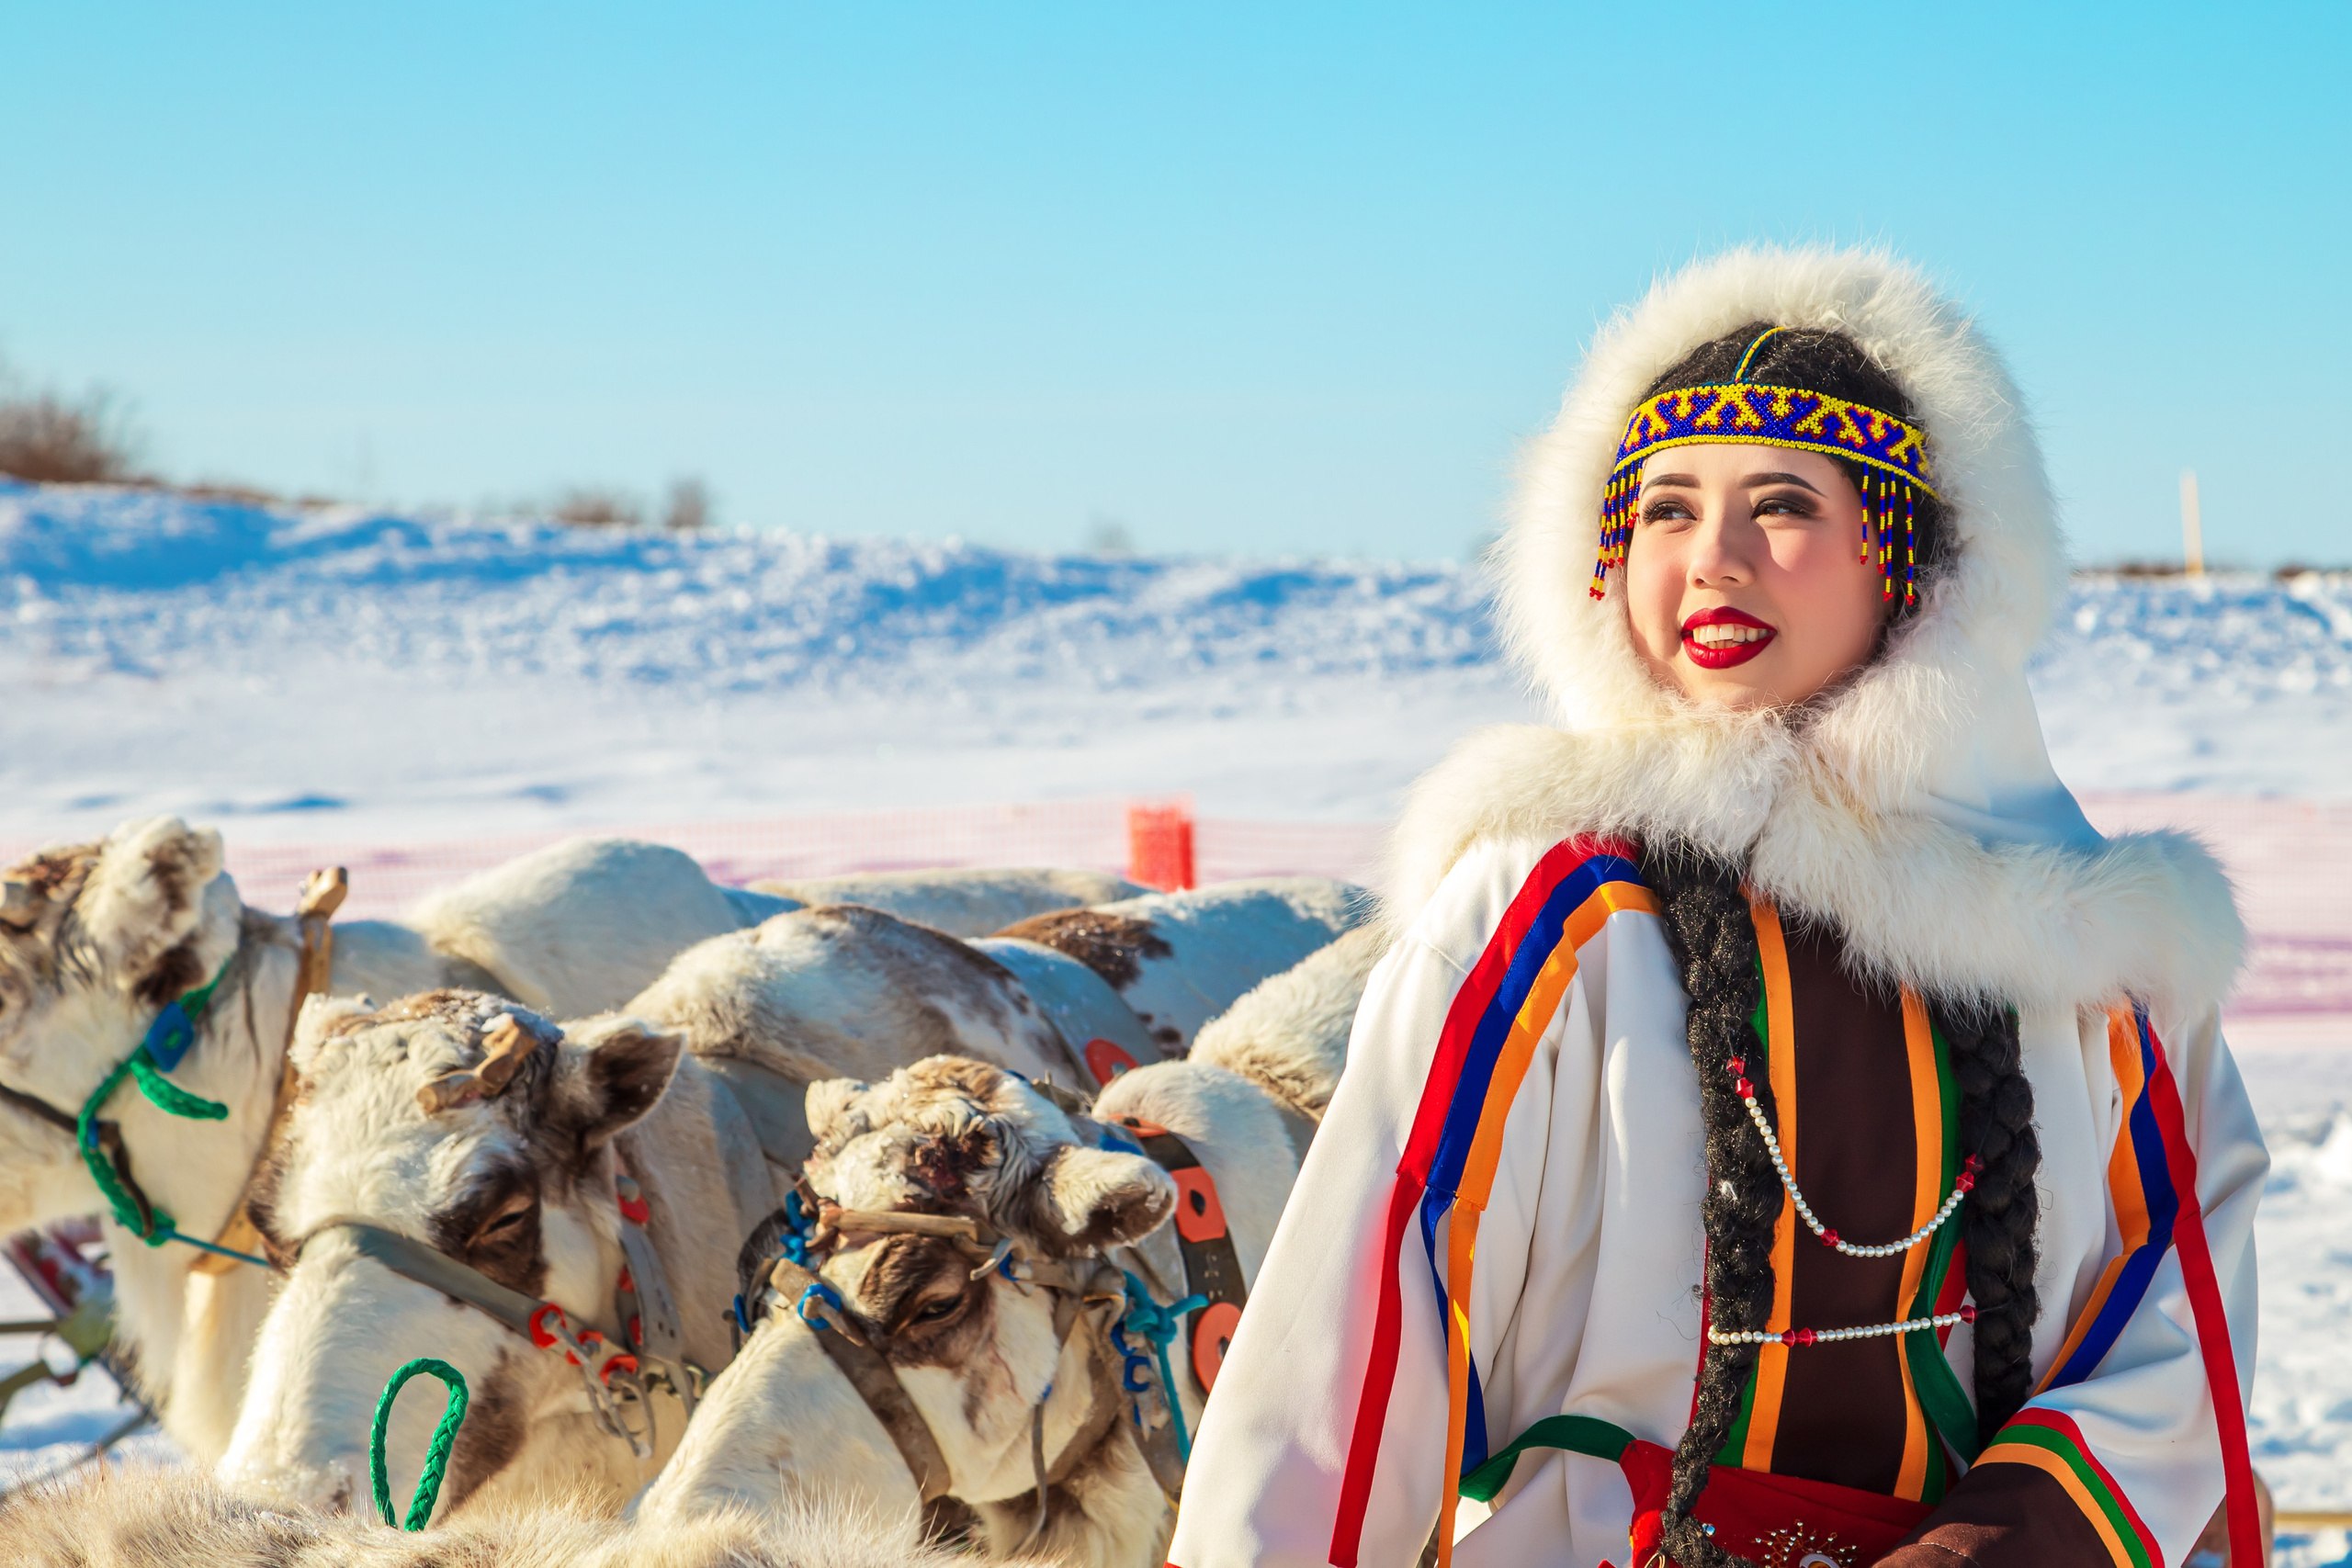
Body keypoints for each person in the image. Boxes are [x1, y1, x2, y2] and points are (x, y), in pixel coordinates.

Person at [1166, 249, 2266, 1568]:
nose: (1713, 560)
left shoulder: (2083, 946)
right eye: (1668, 509)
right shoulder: (1558, 911)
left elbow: (2181, 1314)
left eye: (1784, 504)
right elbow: (1355, 1333)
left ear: (1916, 566)